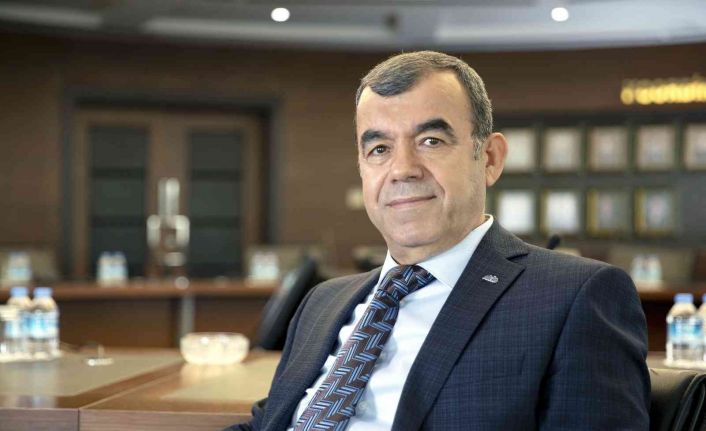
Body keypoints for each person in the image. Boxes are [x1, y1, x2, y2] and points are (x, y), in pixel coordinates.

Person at [226, 51, 650, 431]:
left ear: (489, 159)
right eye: (379, 149)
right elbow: (268, 423)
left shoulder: (575, 297)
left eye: (431, 141)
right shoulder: (323, 302)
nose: (402, 169)